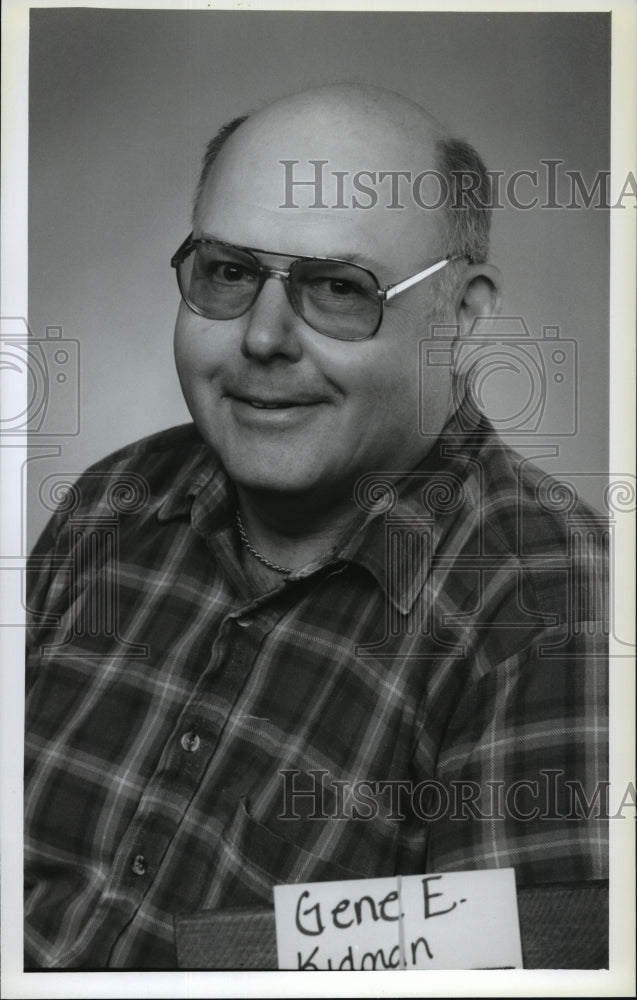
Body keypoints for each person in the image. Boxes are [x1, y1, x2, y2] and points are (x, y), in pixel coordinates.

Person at [24, 84, 608, 970]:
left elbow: (522, 973)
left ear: (463, 311)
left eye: (337, 288)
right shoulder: (114, 503)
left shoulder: (556, 605)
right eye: (228, 273)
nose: (263, 337)